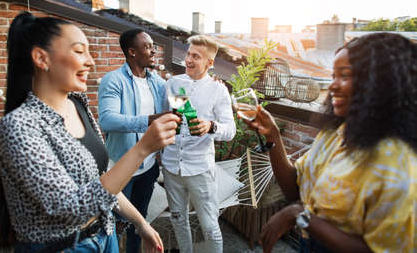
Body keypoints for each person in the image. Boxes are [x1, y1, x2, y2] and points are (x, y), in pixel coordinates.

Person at [0, 12, 180, 253]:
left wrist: (140, 222)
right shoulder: (20, 126)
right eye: (78, 51)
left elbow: (100, 179)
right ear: (42, 58)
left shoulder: (79, 105)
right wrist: (143, 148)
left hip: (105, 236)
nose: (90, 61)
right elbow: (71, 209)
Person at [242, 32, 416, 253]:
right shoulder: (336, 132)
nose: (333, 86)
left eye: (345, 76)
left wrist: (299, 215)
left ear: (384, 84)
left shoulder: (396, 162)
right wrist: (273, 136)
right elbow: (295, 189)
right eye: (333, 76)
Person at [162, 35, 236, 253]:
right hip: (171, 166)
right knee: (178, 219)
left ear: (209, 63)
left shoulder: (218, 89)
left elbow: (230, 130)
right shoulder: (175, 84)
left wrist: (211, 126)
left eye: (196, 56)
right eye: (188, 54)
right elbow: (175, 118)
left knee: (210, 226)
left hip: (200, 170)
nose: (189, 60)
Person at [98, 28, 170, 253]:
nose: (153, 51)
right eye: (147, 46)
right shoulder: (114, 80)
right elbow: (108, 120)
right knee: (116, 224)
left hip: (149, 168)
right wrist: (149, 120)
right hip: (121, 168)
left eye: (153, 46)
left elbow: (180, 100)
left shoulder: (157, 82)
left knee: (140, 221)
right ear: (131, 52)